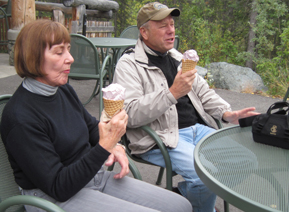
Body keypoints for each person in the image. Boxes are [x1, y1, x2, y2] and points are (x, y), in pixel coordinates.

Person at [0, 19, 192, 212]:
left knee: (180, 205)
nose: (70, 58)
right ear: (32, 57)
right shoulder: (21, 117)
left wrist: (115, 146)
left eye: (68, 49)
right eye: (59, 52)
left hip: (91, 176)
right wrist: (105, 146)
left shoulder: (62, 89)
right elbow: (59, 186)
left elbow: (91, 126)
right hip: (53, 198)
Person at [113, 2, 259, 212]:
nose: (171, 30)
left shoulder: (178, 58)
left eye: (172, 24)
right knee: (203, 174)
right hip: (161, 136)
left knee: (246, 160)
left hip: (198, 130)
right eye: (163, 26)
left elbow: (204, 92)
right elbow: (130, 113)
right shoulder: (129, 65)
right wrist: (172, 94)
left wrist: (228, 113)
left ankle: (184, 196)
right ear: (144, 32)